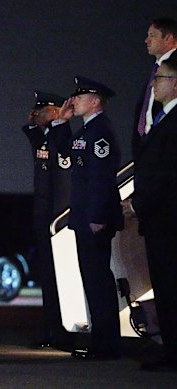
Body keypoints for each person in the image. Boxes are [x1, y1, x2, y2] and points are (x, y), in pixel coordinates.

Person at [52, 76, 124, 360]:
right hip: (84, 216)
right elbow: (66, 151)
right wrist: (61, 121)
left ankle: (107, 345)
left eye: (81, 97)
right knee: (91, 280)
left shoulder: (100, 132)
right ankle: (101, 341)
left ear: (95, 101)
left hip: (94, 218)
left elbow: (101, 179)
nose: (75, 100)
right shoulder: (86, 131)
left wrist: (96, 216)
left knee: (98, 281)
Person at [122, 54, 177, 372]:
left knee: (170, 285)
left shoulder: (172, 123)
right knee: (165, 285)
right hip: (159, 218)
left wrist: (138, 204)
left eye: (159, 80)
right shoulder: (163, 120)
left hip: (168, 219)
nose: (153, 85)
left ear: (174, 84)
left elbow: (166, 173)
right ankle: (170, 348)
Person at [22, 91, 72, 351]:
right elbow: (31, 134)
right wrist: (35, 122)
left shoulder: (63, 140)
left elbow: (64, 185)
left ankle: (64, 332)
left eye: (42, 110)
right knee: (48, 279)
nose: (35, 113)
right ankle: (50, 328)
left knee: (61, 280)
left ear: (55, 112)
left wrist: (59, 221)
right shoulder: (44, 139)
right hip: (43, 220)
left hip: (57, 222)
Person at [132, 18, 177, 157]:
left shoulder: (173, 66)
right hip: (148, 145)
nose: (147, 40)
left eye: (152, 35)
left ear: (168, 38)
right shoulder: (154, 69)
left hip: (166, 147)